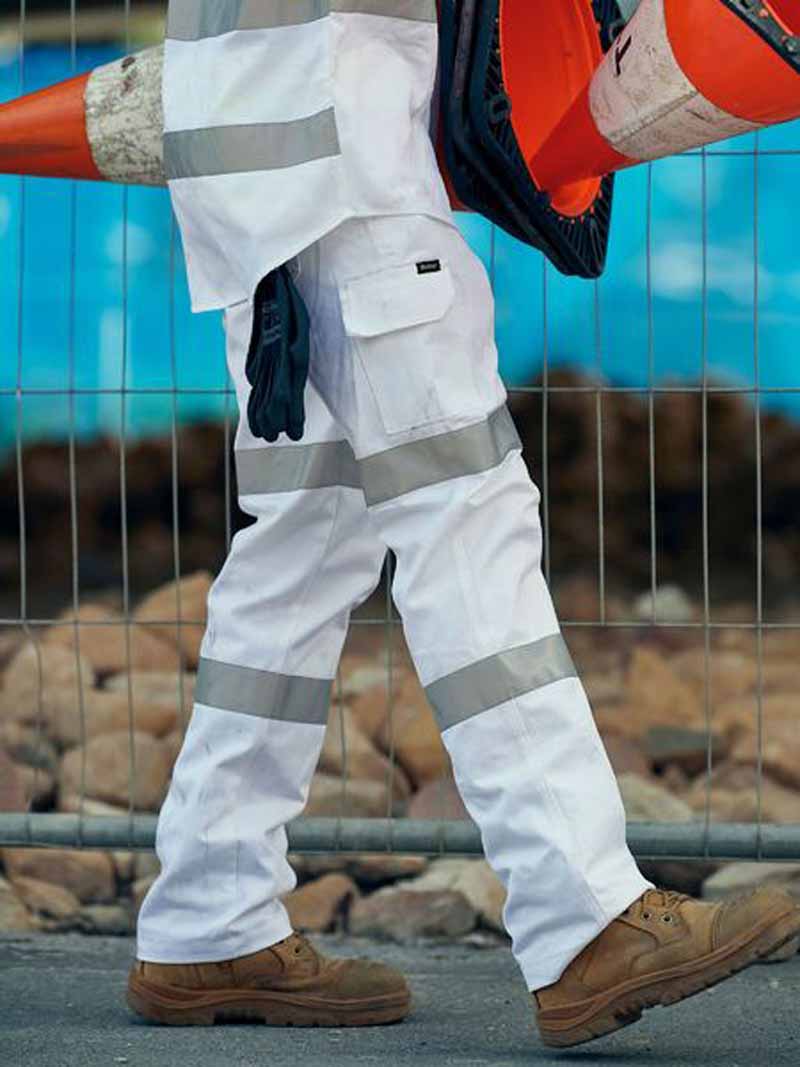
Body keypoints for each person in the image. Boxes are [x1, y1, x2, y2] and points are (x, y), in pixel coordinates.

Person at [128, 2, 800, 1048]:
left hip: (263, 162)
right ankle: (585, 916)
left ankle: (207, 916)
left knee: (304, 546)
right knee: (465, 516)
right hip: (341, 151)